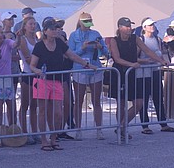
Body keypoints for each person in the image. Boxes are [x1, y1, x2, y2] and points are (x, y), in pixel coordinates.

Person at [30, 18, 91, 150]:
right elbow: (32, 65)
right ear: (45, 31)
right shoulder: (39, 46)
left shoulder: (60, 43)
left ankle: (54, 137)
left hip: (57, 80)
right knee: (43, 111)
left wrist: (86, 64)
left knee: (58, 112)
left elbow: (72, 55)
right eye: (52, 29)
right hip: (42, 81)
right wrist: (38, 71)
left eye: (56, 28)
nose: (55, 31)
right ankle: (44, 139)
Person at [107, 17, 166, 140]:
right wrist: (131, 64)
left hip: (133, 73)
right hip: (120, 72)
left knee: (138, 102)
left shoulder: (135, 38)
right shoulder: (114, 40)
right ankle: (121, 129)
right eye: (127, 26)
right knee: (121, 102)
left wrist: (161, 60)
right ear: (120, 28)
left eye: (130, 26)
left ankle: (122, 126)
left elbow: (147, 51)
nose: (129, 28)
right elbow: (116, 58)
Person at [68, 12, 107, 140]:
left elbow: (107, 52)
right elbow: (70, 54)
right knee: (78, 101)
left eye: (89, 21)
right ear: (80, 22)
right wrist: (83, 48)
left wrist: (100, 47)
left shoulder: (95, 34)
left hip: (95, 68)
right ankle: (78, 129)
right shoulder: (74, 35)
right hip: (80, 69)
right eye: (85, 21)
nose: (88, 24)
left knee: (96, 101)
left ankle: (99, 129)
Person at [137, 18, 174, 134]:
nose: (152, 27)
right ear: (144, 27)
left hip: (155, 71)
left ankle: (163, 123)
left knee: (158, 97)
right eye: (150, 25)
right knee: (144, 99)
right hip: (143, 73)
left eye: (153, 24)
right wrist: (145, 61)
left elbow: (162, 54)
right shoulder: (141, 40)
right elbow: (135, 58)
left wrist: (164, 61)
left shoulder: (158, 39)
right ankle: (145, 125)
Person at [16, 16, 39, 143]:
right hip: (27, 73)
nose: (33, 26)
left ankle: (35, 132)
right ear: (25, 26)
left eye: (34, 24)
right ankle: (25, 132)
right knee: (25, 104)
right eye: (30, 24)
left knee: (34, 105)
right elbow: (28, 58)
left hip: (37, 74)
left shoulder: (36, 39)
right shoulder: (23, 40)